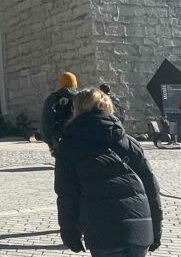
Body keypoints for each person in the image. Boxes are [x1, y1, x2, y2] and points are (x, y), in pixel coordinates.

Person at [55, 88, 162, 256]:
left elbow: (67, 194)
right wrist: (155, 228)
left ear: (77, 109)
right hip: (140, 229)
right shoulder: (130, 142)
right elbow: (151, 188)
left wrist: (70, 232)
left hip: (102, 230)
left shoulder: (68, 146)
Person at [40, 72, 78, 154]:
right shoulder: (82, 97)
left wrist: (50, 143)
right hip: (80, 141)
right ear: (75, 83)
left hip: (59, 141)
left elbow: (45, 124)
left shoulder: (51, 99)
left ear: (60, 84)